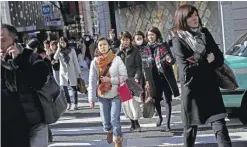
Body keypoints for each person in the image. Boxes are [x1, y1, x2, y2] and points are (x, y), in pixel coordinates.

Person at [172, 4, 232, 147]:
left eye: (196, 14)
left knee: (220, 127)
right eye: (190, 16)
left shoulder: (204, 33)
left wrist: (203, 60)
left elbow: (218, 57)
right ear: (182, 19)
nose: (195, 18)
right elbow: (186, 71)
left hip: (210, 88)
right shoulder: (178, 40)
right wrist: (205, 59)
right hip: (192, 92)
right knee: (190, 131)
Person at [1, 24, 50, 147]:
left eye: (3, 40)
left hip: (32, 124)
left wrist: (18, 60)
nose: (0, 45)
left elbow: (38, 81)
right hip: (6, 127)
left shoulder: (30, 57)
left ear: (14, 40)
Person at [88, 37, 127, 147]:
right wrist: (91, 98)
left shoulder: (116, 59)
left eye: (105, 44)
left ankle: (118, 140)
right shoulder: (94, 62)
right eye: (100, 45)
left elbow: (123, 76)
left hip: (116, 94)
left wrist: (110, 80)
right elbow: (92, 80)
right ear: (98, 48)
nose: (103, 47)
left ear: (109, 45)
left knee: (115, 119)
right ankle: (109, 130)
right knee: (106, 121)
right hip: (102, 95)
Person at [141, 26, 180, 131]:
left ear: (157, 35)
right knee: (156, 100)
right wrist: (145, 80)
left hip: (165, 77)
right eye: (149, 35)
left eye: (152, 35)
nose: (150, 37)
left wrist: (169, 60)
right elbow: (144, 65)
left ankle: (167, 123)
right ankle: (160, 117)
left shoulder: (163, 46)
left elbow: (171, 60)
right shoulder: (145, 49)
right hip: (153, 78)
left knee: (167, 100)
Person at [116, 31, 142, 132]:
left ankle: (137, 122)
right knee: (126, 104)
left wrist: (137, 77)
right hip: (122, 81)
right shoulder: (118, 52)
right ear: (120, 40)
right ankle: (132, 123)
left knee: (134, 103)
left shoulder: (135, 51)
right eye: (123, 40)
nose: (125, 42)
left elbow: (138, 66)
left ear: (130, 40)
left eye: (127, 39)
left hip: (132, 80)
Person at [54, 37, 81, 110]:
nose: (63, 44)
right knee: (64, 89)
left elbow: (75, 62)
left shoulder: (72, 50)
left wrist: (78, 72)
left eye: (64, 42)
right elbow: (55, 58)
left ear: (66, 42)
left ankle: (75, 103)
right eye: (61, 43)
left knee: (73, 88)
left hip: (71, 71)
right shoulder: (59, 51)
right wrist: (58, 48)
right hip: (63, 73)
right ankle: (68, 103)